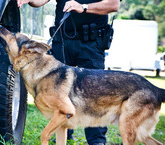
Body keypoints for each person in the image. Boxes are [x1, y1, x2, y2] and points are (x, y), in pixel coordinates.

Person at [17, 0, 120, 145]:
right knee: (59, 93)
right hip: (62, 41)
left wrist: (83, 7)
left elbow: (113, 5)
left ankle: (96, 141)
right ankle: (63, 136)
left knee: (94, 94)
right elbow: (39, 1)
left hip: (91, 42)